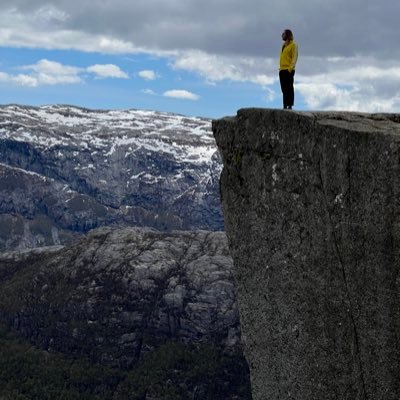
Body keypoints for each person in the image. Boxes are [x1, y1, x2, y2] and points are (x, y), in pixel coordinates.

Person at [279, 29, 298, 110]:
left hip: (288, 70)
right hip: (282, 70)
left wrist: (290, 68)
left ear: (287, 35)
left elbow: (295, 57)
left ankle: (290, 105)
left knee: (289, 88)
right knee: (283, 89)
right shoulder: (283, 45)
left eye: (283, 34)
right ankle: (285, 105)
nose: (282, 35)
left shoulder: (293, 45)